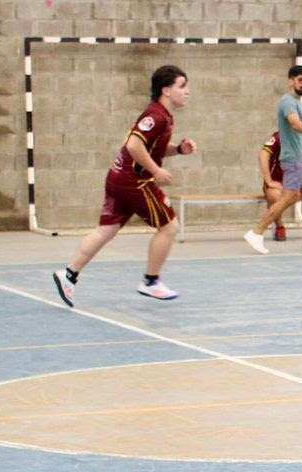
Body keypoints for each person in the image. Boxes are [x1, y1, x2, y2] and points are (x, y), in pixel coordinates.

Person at [51, 65, 196, 307]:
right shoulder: (156, 117)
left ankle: (68, 274)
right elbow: (133, 145)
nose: (187, 91)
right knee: (169, 226)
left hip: (118, 177)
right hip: (134, 181)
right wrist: (156, 171)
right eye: (182, 86)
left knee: (106, 230)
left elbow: (151, 149)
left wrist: (179, 149)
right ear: (166, 90)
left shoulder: (163, 116)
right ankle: (151, 282)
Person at [244, 65, 302, 253]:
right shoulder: (287, 102)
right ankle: (257, 232)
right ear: (291, 81)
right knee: (290, 197)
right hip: (293, 159)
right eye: (300, 79)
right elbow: (294, 124)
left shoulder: (298, 102)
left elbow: (301, 127)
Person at [256, 131, 295, 242]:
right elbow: (262, 155)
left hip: (295, 182)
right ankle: (279, 226)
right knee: (274, 196)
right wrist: (269, 181)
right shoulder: (278, 137)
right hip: (276, 182)